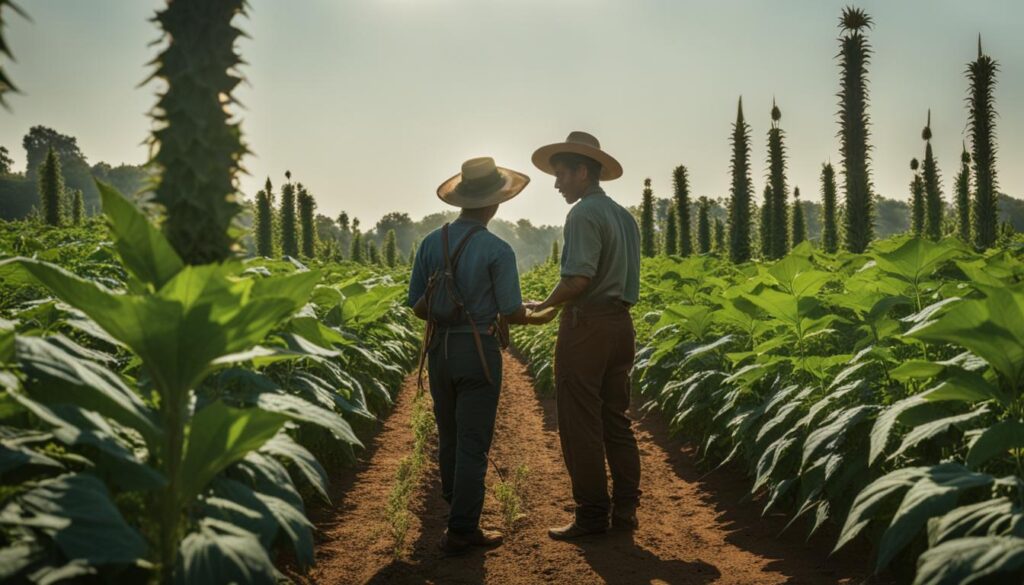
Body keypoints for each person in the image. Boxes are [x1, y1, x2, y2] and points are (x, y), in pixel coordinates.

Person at [408, 156, 556, 556]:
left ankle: (457, 503)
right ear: (495, 203)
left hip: (439, 350)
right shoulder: (497, 249)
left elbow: (418, 306)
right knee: (474, 440)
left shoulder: (430, 242)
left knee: (450, 434)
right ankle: (461, 529)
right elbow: (510, 312)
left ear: (462, 199)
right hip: (478, 351)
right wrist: (542, 314)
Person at [528, 131, 643, 540]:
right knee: (616, 419)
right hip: (621, 327)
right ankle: (626, 509)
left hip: (587, 326)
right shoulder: (624, 216)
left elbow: (578, 278)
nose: (557, 182)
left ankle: (593, 515)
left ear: (583, 171)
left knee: (580, 424)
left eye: (561, 174)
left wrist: (543, 304)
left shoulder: (582, 215)